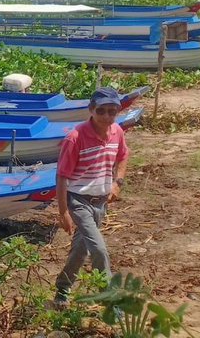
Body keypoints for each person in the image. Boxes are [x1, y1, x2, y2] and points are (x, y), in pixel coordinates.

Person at [54, 87, 129, 307]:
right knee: (99, 249)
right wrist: (63, 212)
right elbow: (61, 177)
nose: (107, 117)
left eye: (112, 112)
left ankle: (62, 290)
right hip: (78, 200)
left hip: (101, 202)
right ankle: (109, 300)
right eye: (102, 111)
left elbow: (123, 156)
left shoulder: (117, 132)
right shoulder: (75, 138)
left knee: (80, 249)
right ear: (91, 109)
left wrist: (118, 182)